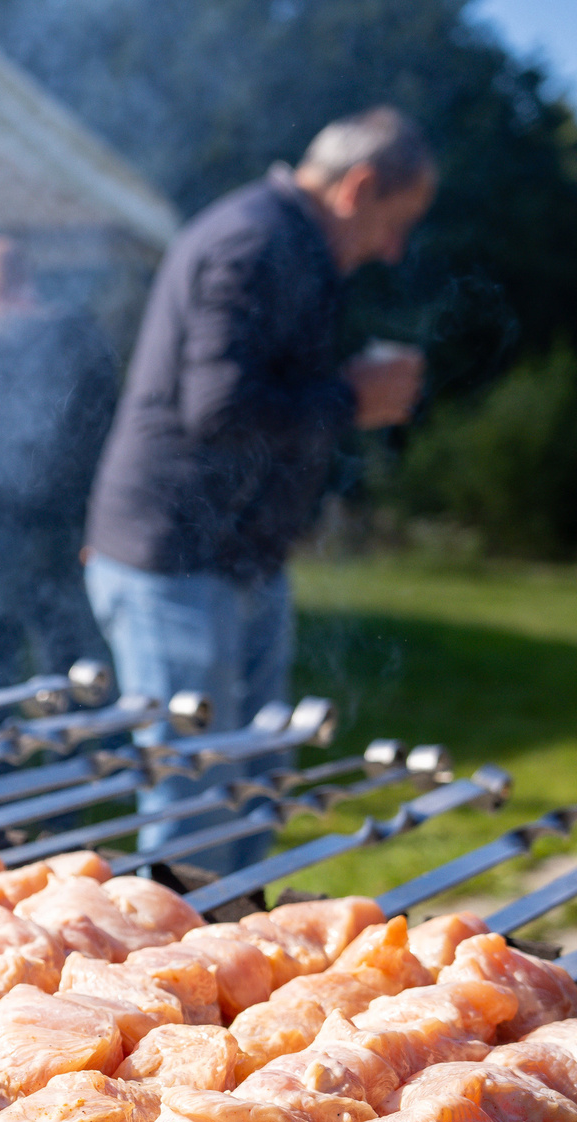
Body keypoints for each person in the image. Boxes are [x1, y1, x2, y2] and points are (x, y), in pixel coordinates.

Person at [84, 106, 434, 871]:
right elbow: (216, 409)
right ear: (360, 186)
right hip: (176, 560)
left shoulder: (292, 242)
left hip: (240, 560)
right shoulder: (254, 238)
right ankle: (171, 981)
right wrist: (352, 398)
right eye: (393, 223)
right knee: (195, 805)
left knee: (252, 794)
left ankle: (233, 979)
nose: (393, 249)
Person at [0, 238, 120, 683]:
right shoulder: (84, 337)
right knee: (71, 656)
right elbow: (107, 431)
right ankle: (84, 749)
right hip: (64, 528)